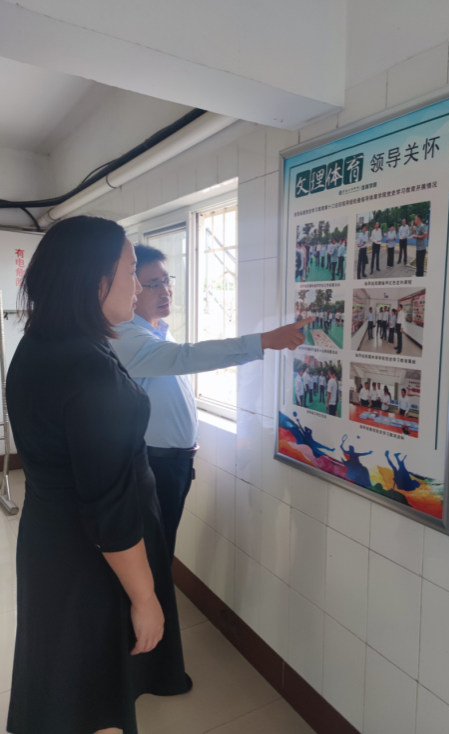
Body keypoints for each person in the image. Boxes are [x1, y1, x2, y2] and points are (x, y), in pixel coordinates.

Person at [5, 217, 191, 734]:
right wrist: (145, 598)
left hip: (52, 543)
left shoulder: (41, 345)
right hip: (93, 560)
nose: (139, 285)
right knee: (96, 692)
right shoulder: (89, 370)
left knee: (71, 682)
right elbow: (109, 508)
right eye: (131, 272)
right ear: (95, 279)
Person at [112, 245, 312, 559]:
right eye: (153, 284)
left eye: (166, 280)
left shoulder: (156, 332)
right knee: (151, 551)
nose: (165, 291)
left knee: (161, 544)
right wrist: (263, 341)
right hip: (151, 463)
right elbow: (186, 357)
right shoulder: (123, 336)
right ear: (131, 287)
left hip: (171, 462)